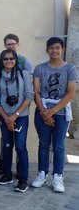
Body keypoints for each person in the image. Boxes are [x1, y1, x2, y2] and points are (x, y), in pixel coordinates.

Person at [31, 37, 77, 193]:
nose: (54, 51)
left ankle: (58, 175)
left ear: (62, 49)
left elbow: (71, 93)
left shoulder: (70, 68)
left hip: (61, 112)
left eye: (57, 47)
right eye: (51, 48)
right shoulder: (39, 68)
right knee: (43, 144)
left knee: (58, 145)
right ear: (47, 50)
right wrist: (45, 112)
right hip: (42, 111)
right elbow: (35, 92)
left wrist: (52, 111)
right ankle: (42, 174)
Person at [0, 33, 33, 176]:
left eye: (11, 58)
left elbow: (29, 94)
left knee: (20, 147)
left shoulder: (25, 68)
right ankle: (6, 172)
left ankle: (22, 175)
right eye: (6, 59)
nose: (8, 60)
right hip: (4, 114)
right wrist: (7, 117)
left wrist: (14, 115)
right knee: (7, 145)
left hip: (20, 114)